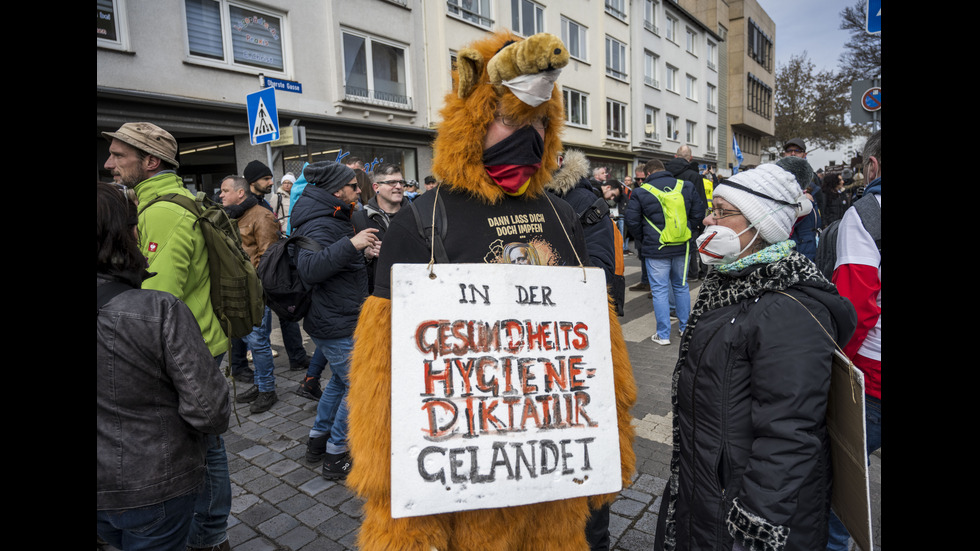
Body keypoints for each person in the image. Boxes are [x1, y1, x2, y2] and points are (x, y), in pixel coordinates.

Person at [344, 30, 637, 551]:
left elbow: (595, 341)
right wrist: (394, 493)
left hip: (554, 480)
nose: (525, 138)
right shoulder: (421, 220)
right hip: (466, 484)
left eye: (539, 125)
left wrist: (609, 444)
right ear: (472, 123)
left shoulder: (560, 212)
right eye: (508, 121)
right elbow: (381, 372)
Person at [653, 162, 857, 551]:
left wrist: (755, 522)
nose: (709, 220)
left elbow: (789, 431)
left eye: (722, 212)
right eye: (712, 210)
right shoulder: (730, 282)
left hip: (740, 505)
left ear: (760, 226)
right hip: (709, 486)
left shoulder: (786, 309)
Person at [103, 122, 234, 551]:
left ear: (150, 161)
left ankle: (210, 535)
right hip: (188, 343)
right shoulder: (161, 201)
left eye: (119, 155)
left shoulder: (159, 210)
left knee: (202, 451)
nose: (109, 163)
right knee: (203, 447)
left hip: (182, 354)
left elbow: (154, 303)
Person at [290, 160, 381, 480]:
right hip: (335, 321)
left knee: (340, 383)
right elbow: (311, 268)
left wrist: (361, 253)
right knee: (362, 388)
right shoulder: (319, 221)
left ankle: (318, 440)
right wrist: (352, 244)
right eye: (353, 185)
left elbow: (332, 260)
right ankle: (337, 453)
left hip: (337, 316)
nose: (359, 190)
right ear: (335, 189)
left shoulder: (332, 215)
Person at [825, 130, 881, 551]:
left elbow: (856, 305)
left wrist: (837, 364)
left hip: (873, 374)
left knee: (845, 482)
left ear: (873, 165)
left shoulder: (866, 213)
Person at [219, 175, 282, 413]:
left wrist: (255, 288)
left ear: (240, 193)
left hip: (254, 291)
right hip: (238, 289)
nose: (221, 194)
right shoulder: (233, 215)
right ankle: (260, 383)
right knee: (251, 340)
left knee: (258, 342)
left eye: (225, 190)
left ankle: (267, 390)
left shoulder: (261, 215)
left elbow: (269, 258)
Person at [627, 158, 704, 345]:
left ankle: (663, 335)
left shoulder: (640, 192)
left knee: (660, 290)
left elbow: (632, 221)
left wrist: (644, 239)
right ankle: (685, 329)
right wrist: (688, 230)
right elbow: (699, 212)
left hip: (656, 248)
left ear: (647, 174)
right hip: (682, 245)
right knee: (681, 285)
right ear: (664, 169)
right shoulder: (684, 186)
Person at [351, 162, 409, 294]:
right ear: (376, 187)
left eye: (401, 182)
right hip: (375, 297)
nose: (398, 187)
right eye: (392, 183)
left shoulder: (416, 216)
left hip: (410, 294)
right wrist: (366, 255)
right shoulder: (359, 219)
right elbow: (348, 261)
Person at [666, 145, 707, 282]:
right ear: (691, 158)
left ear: (675, 156)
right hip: (690, 217)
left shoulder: (667, 173)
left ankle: (677, 273)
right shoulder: (694, 176)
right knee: (693, 245)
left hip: (670, 215)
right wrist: (698, 222)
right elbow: (701, 200)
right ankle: (694, 273)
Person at [630, 164, 651, 293]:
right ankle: (645, 281)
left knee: (651, 260)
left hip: (649, 230)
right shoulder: (635, 190)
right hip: (639, 229)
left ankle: (652, 286)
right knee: (642, 257)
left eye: (642, 179)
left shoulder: (651, 189)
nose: (640, 182)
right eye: (637, 179)